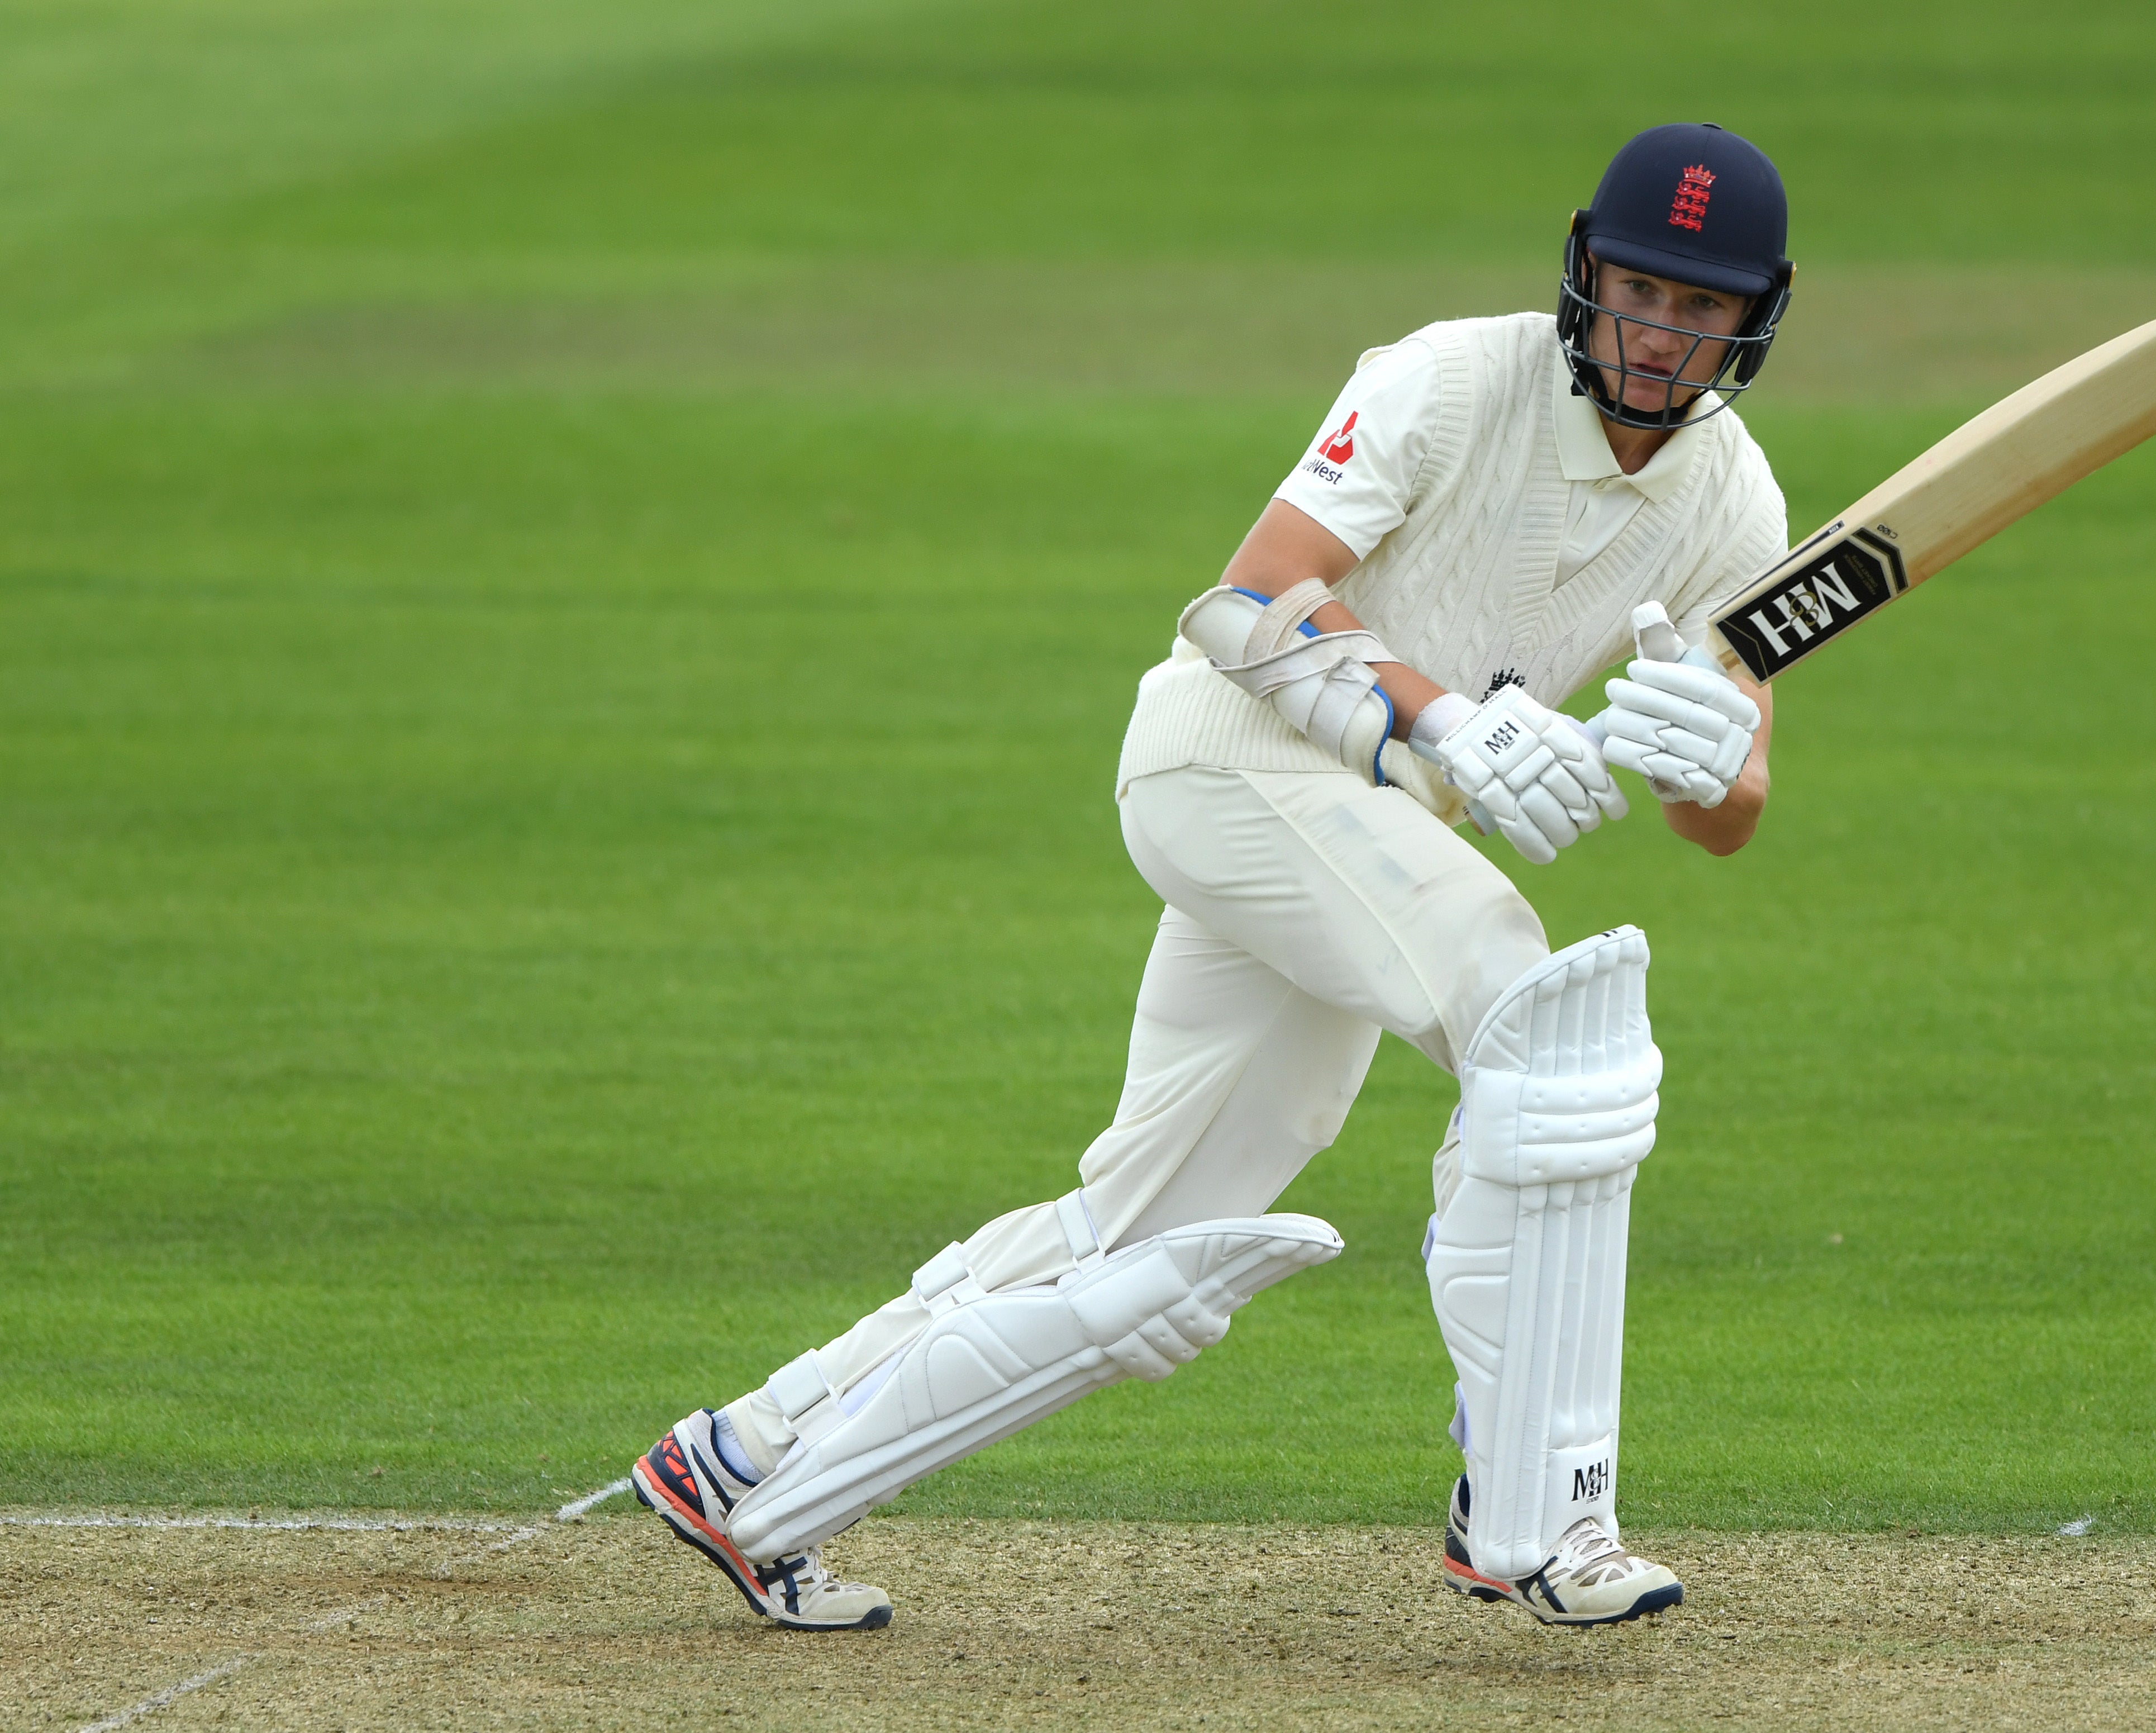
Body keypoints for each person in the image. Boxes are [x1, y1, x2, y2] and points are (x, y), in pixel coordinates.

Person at [629, 121, 1796, 1632]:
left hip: (1363, 837)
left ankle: (749, 1462)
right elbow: (1248, 597)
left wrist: (1713, 761)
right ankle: (1534, 1518)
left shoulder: (1735, 505)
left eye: (1700, 309)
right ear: (1586, 274)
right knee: (1544, 1023)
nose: (1661, 335)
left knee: (1149, 1234)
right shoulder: (1449, 377)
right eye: (1642, 292)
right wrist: (1434, 712)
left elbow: (1731, 809)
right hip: (1227, 763)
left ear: (1752, 316)